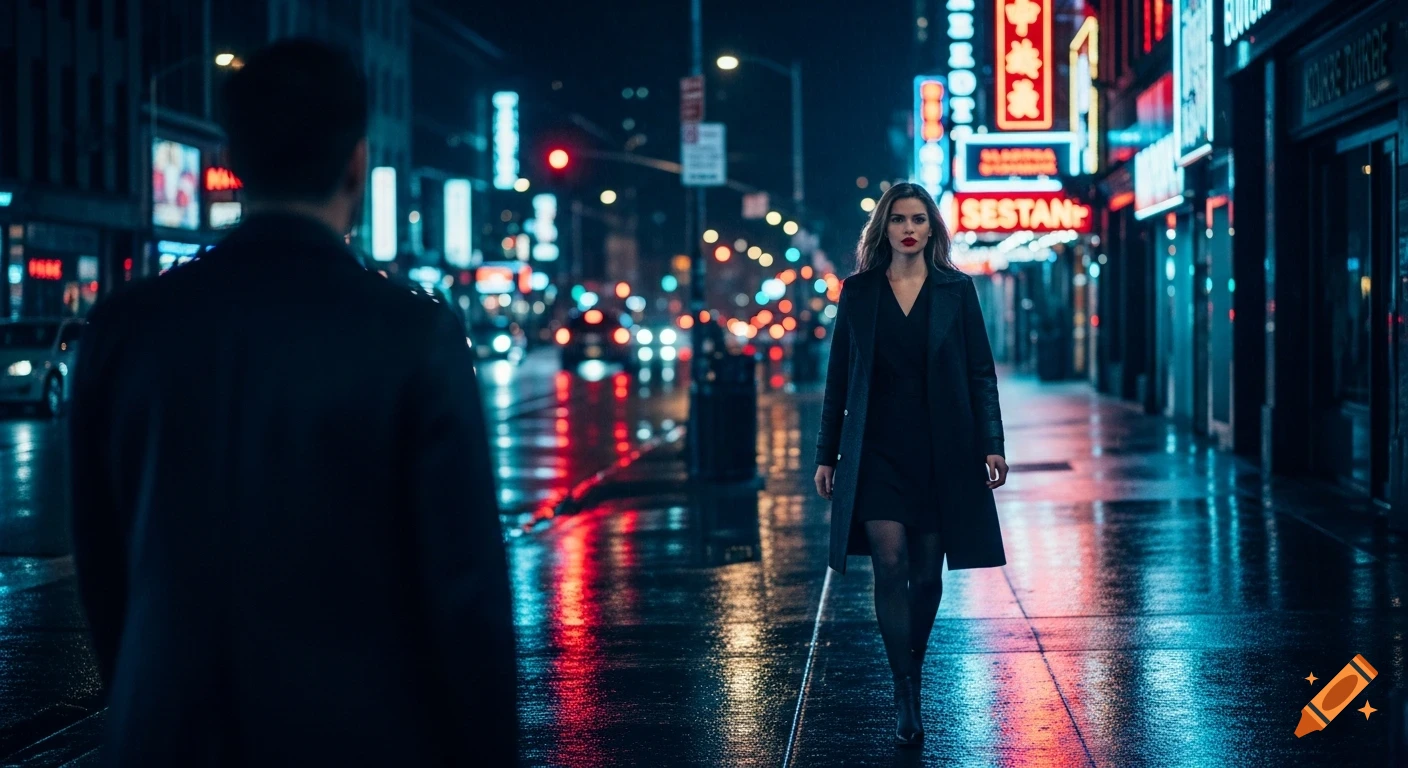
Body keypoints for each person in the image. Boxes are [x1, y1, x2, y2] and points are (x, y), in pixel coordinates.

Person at [68, 39, 517, 766]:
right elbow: (463, 590)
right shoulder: (413, 333)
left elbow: (101, 558)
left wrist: (146, 696)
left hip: (166, 728)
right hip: (359, 733)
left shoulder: (128, 327)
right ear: (356, 162)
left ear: (233, 160)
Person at [812, 182, 1008, 748]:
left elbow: (980, 374)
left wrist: (991, 444)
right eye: (899, 218)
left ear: (931, 229)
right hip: (875, 452)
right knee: (890, 567)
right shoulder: (859, 292)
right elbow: (838, 381)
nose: (909, 228)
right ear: (884, 228)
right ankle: (906, 692)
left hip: (942, 451)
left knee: (926, 577)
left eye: (919, 219)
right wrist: (828, 455)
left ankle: (912, 664)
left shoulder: (956, 290)